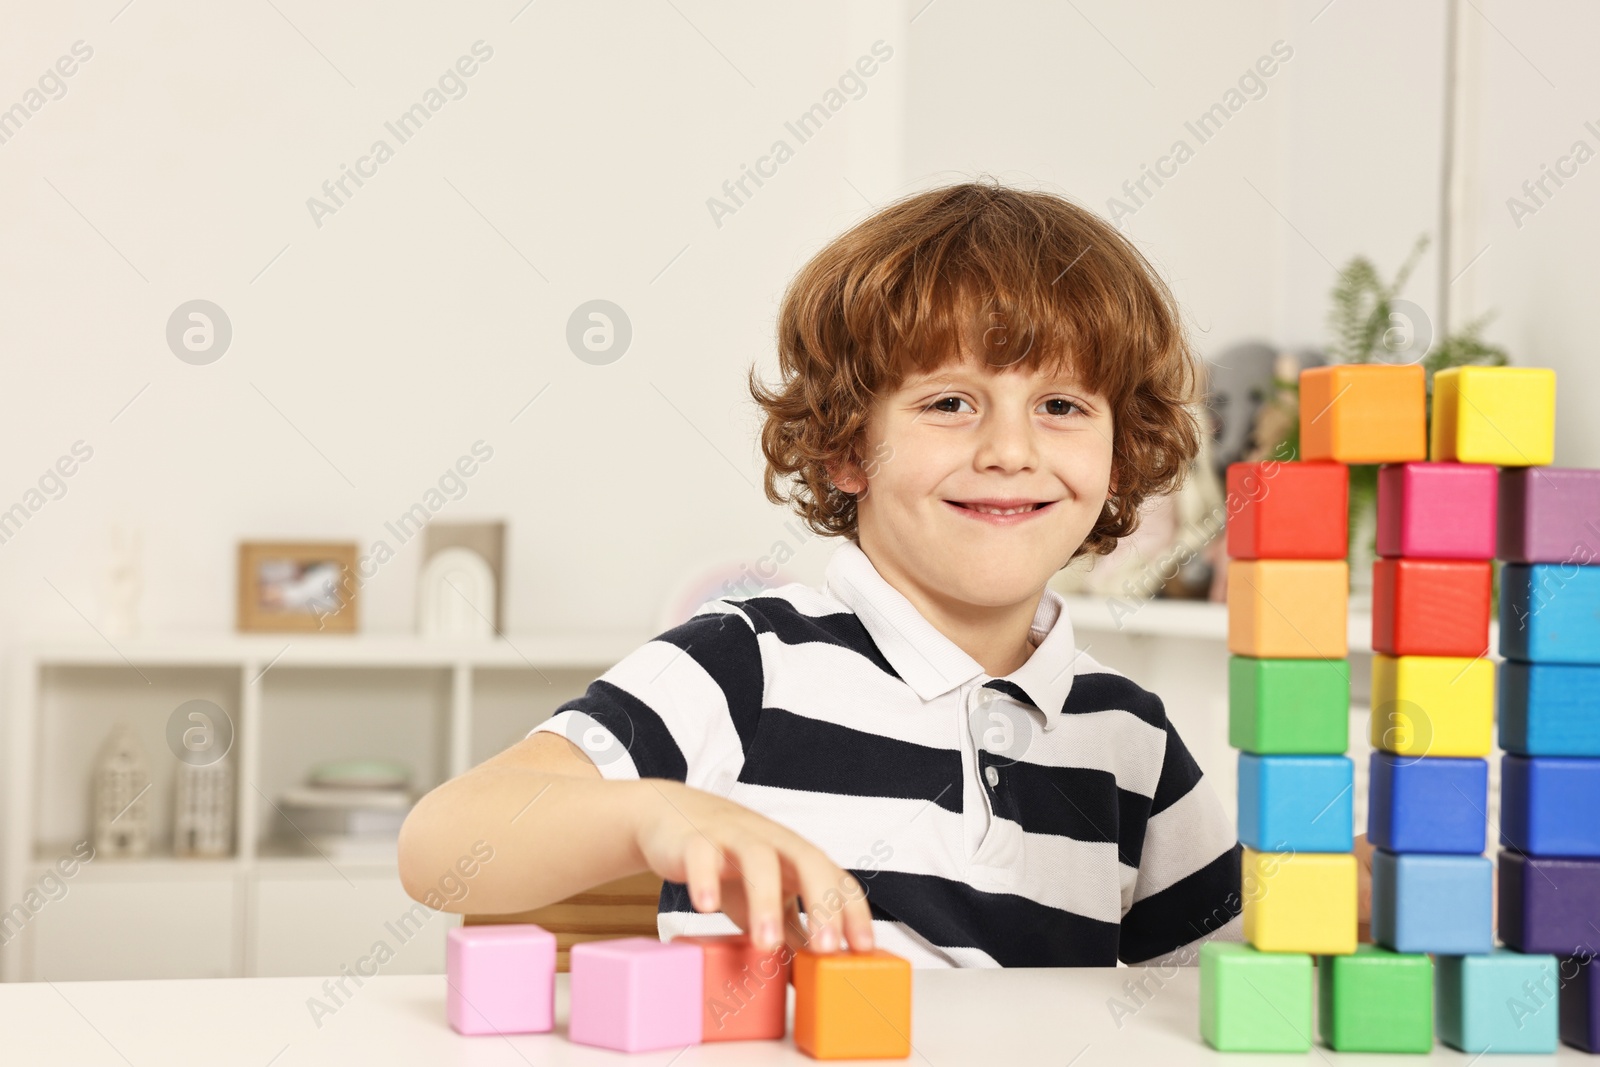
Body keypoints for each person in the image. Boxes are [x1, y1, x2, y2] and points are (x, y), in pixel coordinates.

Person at [398, 180, 1373, 967]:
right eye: (951, 401)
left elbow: (1213, 986)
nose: (1008, 448)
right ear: (844, 449)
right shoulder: (747, 662)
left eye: (1063, 406)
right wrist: (650, 810)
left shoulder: (1130, 741)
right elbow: (441, 847)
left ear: (1118, 461)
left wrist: (1362, 904)